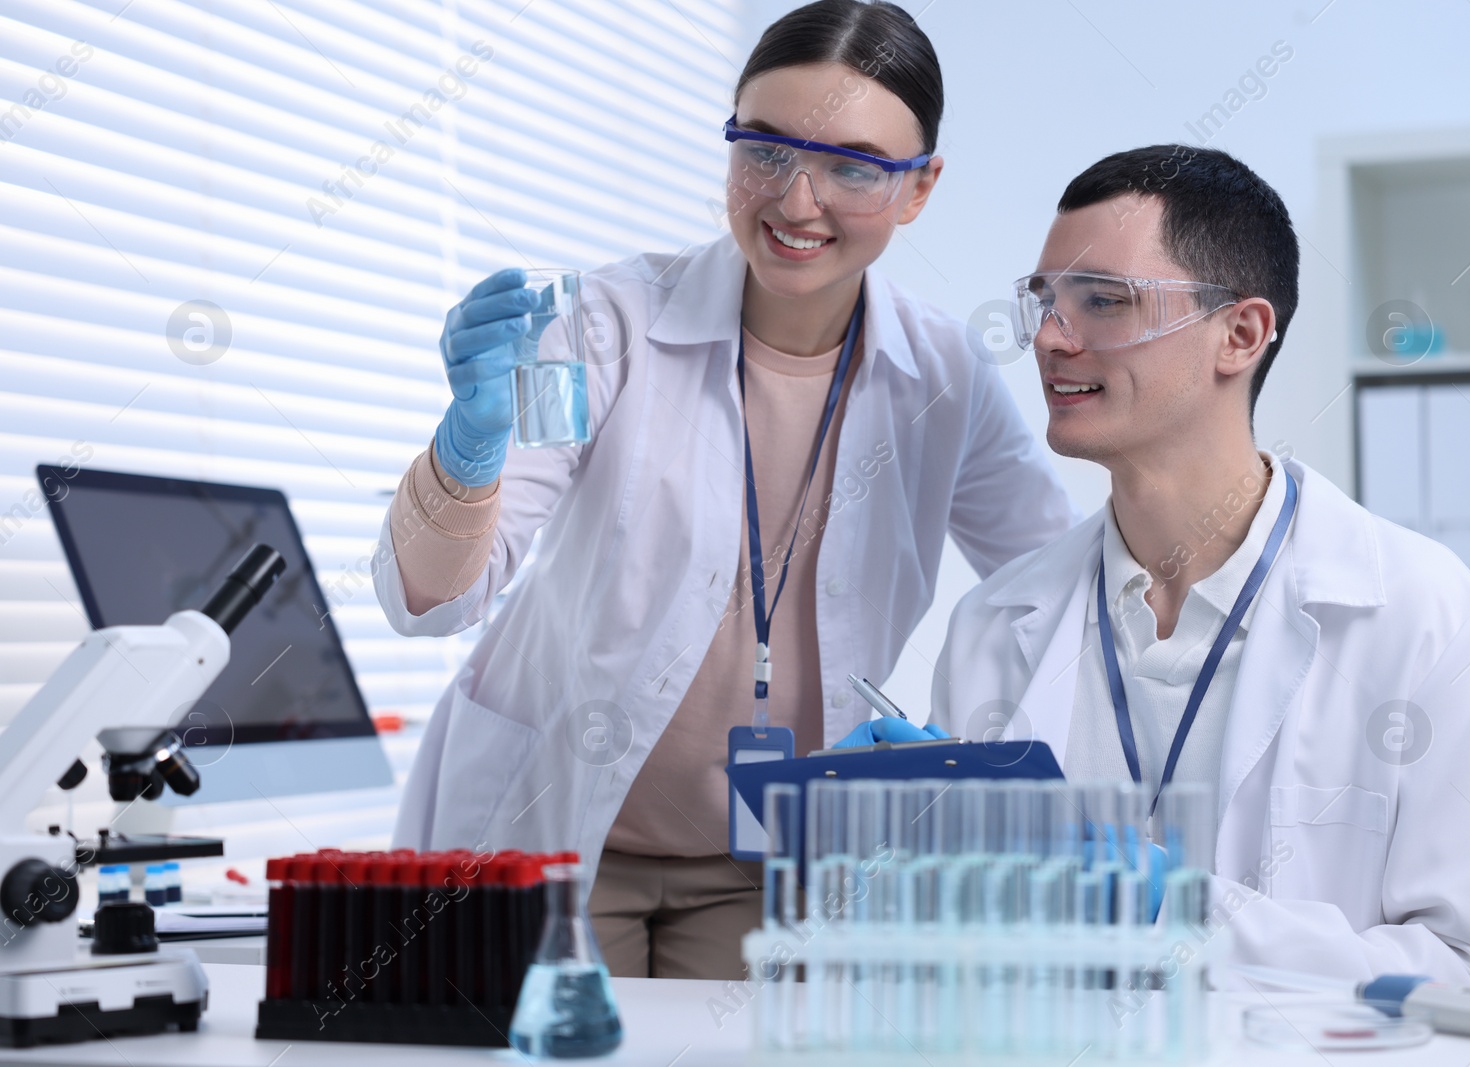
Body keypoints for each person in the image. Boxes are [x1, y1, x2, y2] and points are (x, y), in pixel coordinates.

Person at [374, 0, 1074, 981]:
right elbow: (438, 598)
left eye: (852, 166)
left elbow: (1061, 592)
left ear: (918, 189)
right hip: (548, 827)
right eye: (766, 150)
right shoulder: (610, 323)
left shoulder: (943, 376)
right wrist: (468, 452)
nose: (796, 201)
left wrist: (967, 762)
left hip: (760, 867)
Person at [931, 145, 1470, 991]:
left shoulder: (1429, 618)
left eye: (1102, 301)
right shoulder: (993, 626)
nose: (1047, 338)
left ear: (1242, 335)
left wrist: (1174, 912)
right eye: (1044, 302)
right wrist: (891, 842)